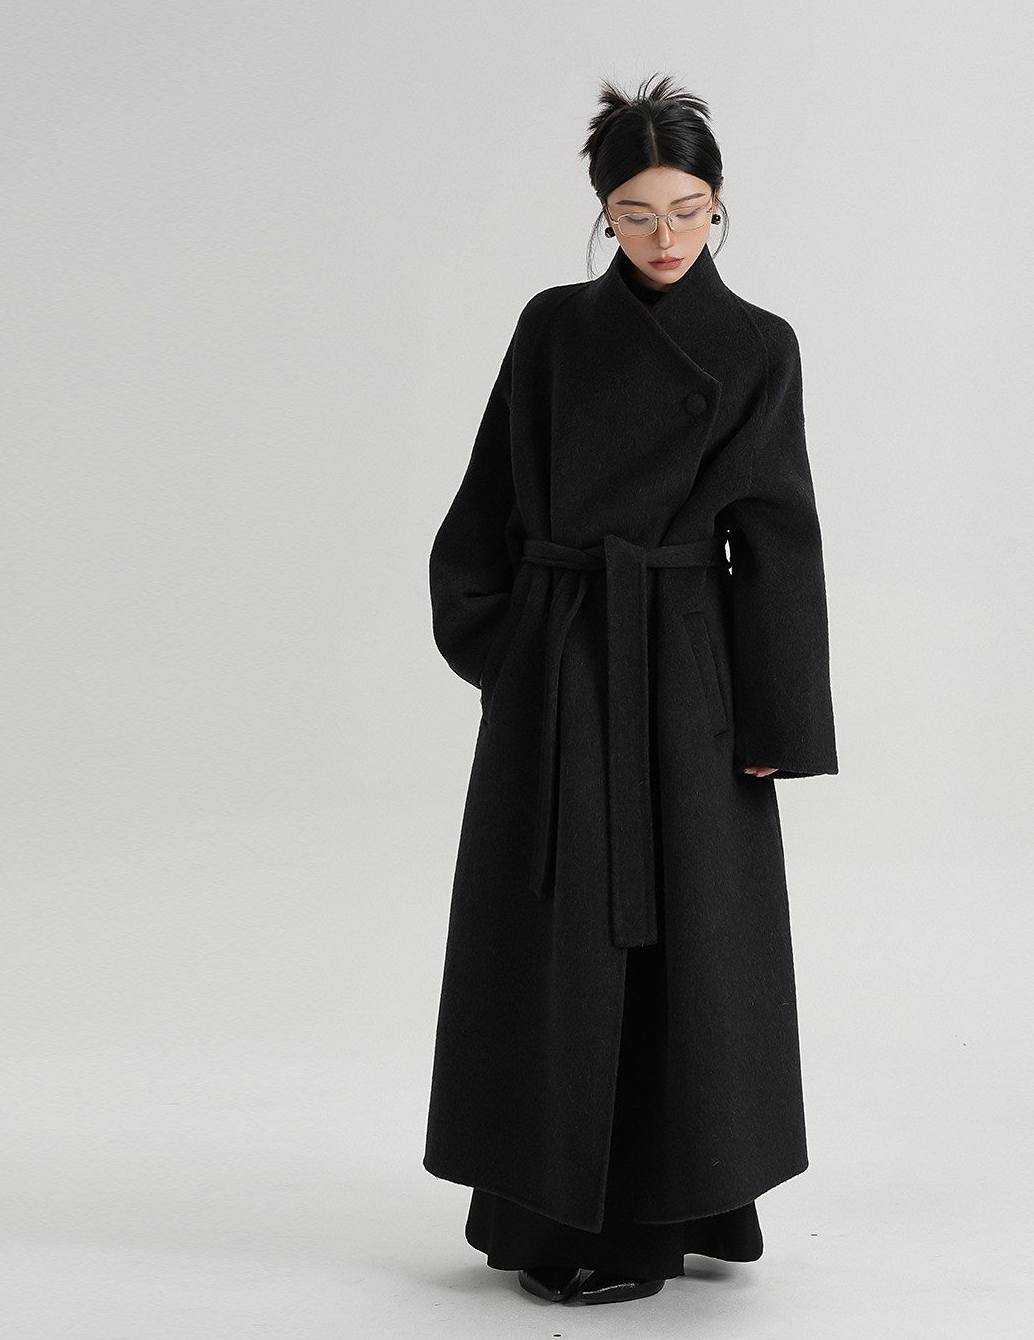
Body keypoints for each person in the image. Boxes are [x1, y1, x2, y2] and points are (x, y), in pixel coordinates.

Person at [425, 73, 839, 1305]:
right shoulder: (552, 328)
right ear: (604, 213)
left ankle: (668, 1215)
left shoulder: (758, 346)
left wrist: (776, 716)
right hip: (563, 667)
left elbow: (778, 535)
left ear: (720, 205)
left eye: (689, 211)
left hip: (687, 684)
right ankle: (549, 1211)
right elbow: (489, 498)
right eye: (638, 214)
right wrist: (507, 648)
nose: (667, 239)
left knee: (691, 948)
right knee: (553, 940)